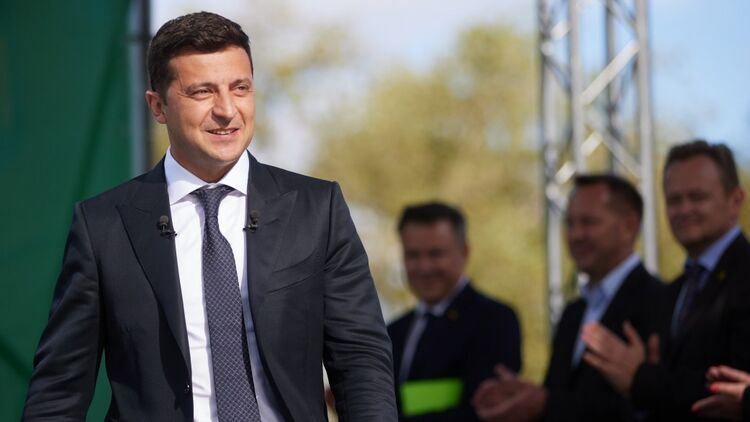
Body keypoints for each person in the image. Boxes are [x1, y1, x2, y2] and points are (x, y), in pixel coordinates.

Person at [22, 12, 396, 422]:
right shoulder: (102, 226)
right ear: (158, 106)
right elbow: (59, 390)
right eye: (202, 92)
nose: (227, 110)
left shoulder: (316, 209)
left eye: (240, 88)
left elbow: (360, 359)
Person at [472, 174, 664, 421]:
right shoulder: (574, 312)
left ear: (629, 226)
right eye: (569, 223)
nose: (576, 234)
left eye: (589, 222)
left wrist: (544, 403)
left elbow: (651, 406)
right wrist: (522, 398)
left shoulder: (659, 302)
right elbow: (560, 397)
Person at [581, 140, 750, 421]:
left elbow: (732, 389)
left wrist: (641, 379)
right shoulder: (673, 292)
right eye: (674, 200)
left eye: (697, 197)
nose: (684, 209)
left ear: (735, 201)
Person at [387, 202, 521, 421]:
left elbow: (482, 413)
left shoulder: (494, 321)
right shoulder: (393, 332)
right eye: (413, 255)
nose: (424, 267)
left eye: (436, 254)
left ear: (464, 252)